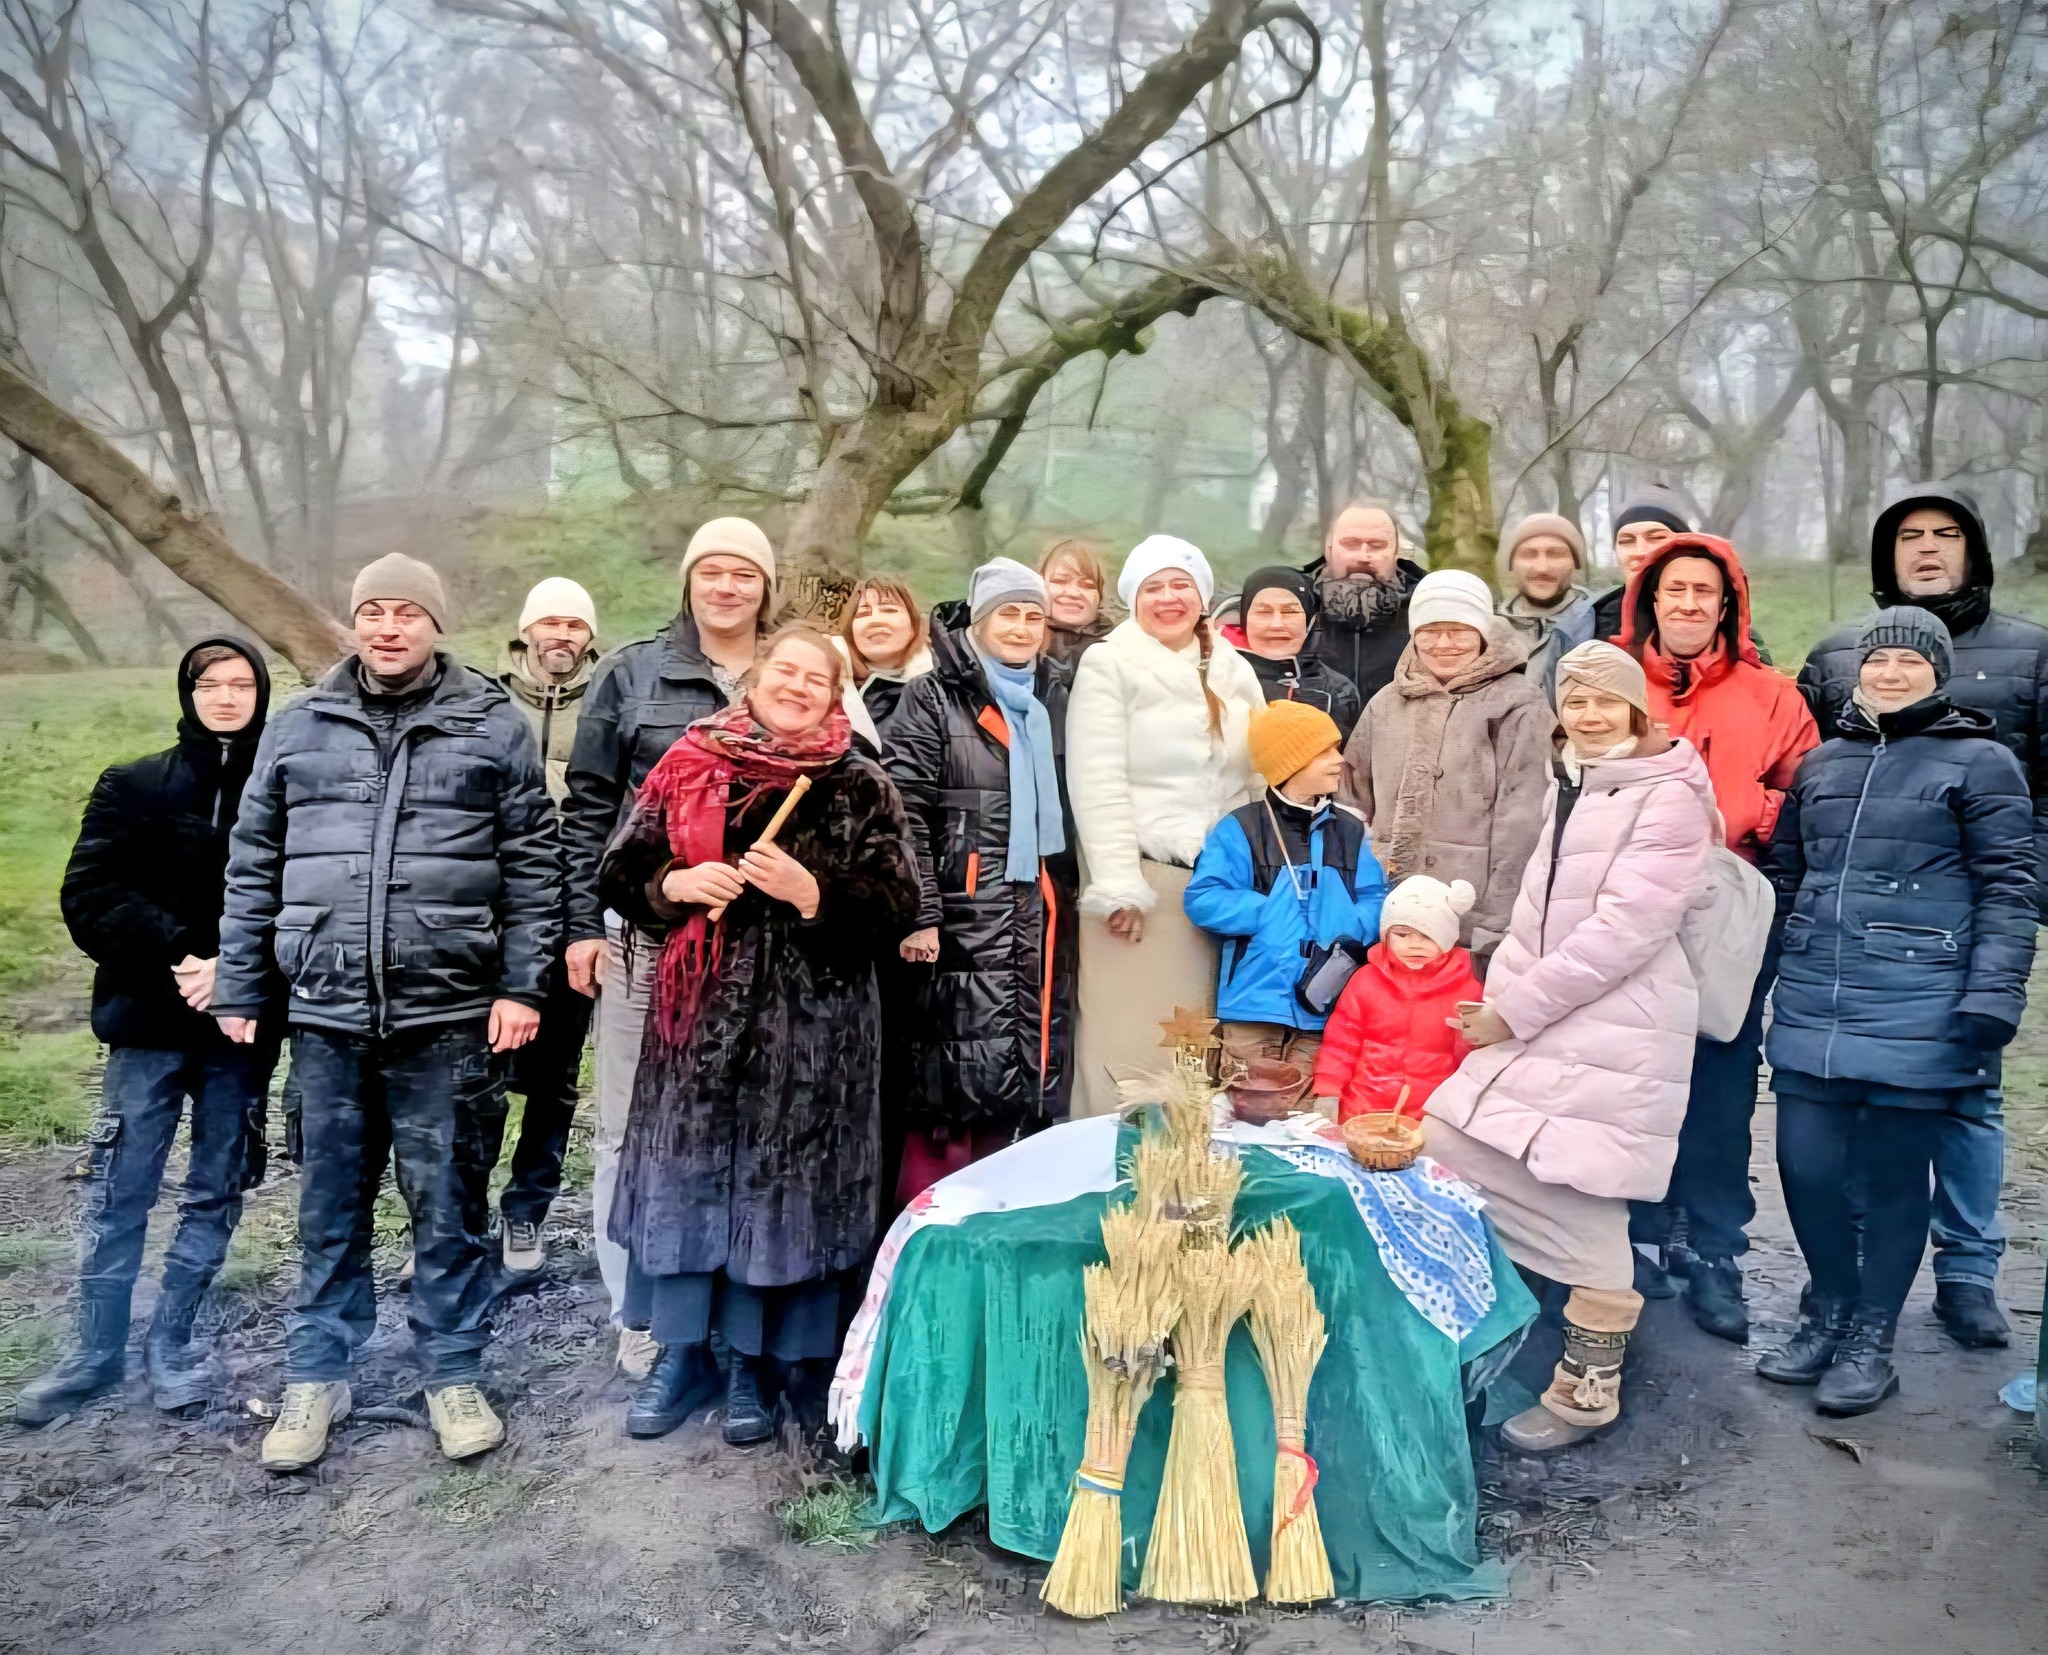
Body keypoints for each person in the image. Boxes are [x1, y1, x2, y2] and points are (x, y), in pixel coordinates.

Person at [212, 554, 559, 1471]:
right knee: (329, 1203)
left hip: (450, 1010)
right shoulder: (300, 725)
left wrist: (523, 986)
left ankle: (451, 1371)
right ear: (354, 622)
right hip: (326, 1013)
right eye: (374, 611)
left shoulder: (491, 722)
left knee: (449, 1203)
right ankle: (316, 1373)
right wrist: (243, 982)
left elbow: (534, 864)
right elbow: (254, 862)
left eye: (408, 612)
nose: (389, 627)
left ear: (436, 624)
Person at [596, 627, 921, 1446]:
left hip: (814, 1034)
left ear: (837, 695)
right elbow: (620, 869)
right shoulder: (691, 761)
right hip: (698, 1025)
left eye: (819, 679)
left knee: (784, 1194)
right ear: (755, 676)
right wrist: (674, 883)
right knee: (689, 1182)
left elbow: (898, 901)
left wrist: (816, 893)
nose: (799, 686)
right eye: (787, 670)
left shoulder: (860, 782)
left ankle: (755, 1361)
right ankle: (682, 1353)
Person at [1427, 641, 1714, 1453]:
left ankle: (1587, 1392)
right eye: (1575, 700)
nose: (1589, 714)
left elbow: (1623, 932)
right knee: (1449, 1144)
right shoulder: (1578, 781)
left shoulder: (1667, 797)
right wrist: (1506, 998)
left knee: (1585, 1199)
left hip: (1617, 1027)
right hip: (1551, 1016)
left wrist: (1512, 1013)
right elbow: (1539, 916)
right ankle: (1481, 1343)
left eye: (1605, 700)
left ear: (1637, 710)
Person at [1759, 610, 2035, 1414]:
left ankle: (1871, 1339)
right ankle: (1829, 1309)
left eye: (1907, 662)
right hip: (1817, 998)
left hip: (1923, 1002)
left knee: (1890, 1179)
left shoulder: (1983, 763)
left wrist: (1992, 995)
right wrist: (1763, 971)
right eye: (1875, 659)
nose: (1888, 673)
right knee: (1806, 1168)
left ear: (1938, 672)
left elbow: (2008, 889)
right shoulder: (1823, 762)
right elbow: (1787, 877)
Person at [1796, 484, 2048, 1350]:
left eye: (1947, 534)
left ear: (1974, 549)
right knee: (1844, 1121)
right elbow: (1821, 784)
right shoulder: (1837, 657)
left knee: (1967, 1104)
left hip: (1968, 927)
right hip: (1855, 944)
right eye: (1910, 535)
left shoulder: (2030, 652)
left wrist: (2015, 913)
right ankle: (1849, 1276)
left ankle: (1966, 1270)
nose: (1928, 548)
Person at [15, 641, 281, 1427]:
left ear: (262, 693)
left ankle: (174, 1342)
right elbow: (89, 893)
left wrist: (235, 968)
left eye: (242, 684)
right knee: (120, 1185)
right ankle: (95, 1350)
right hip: (146, 1021)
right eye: (211, 683)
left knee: (216, 1186)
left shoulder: (285, 791)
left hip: (241, 1026)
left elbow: (303, 898)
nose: (226, 696)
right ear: (188, 692)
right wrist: (182, 952)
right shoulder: (131, 784)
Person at [561, 517, 775, 1378]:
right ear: (689, 581)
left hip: (759, 948)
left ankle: (724, 1301)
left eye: (744, 574)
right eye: (711, 571)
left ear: (766, 586)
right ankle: (637, 1309)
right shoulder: (632, 672)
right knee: (628, 1127)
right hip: (646, 937)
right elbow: (589, 807)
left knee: (738, 1122)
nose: (726, 587)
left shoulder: (789, 670)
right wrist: (583, 923)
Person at [1616, 533, 1818, 1339]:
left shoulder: (1770, 695)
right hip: (1626, 904)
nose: (1689, 603)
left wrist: (1749, 812)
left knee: (1720, 1079)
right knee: (1629, 1071)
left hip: (1729, 907)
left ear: (1727, 603)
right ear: (1650, 600)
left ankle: (1714, 1249)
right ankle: (1635, 1234)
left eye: (1705, 591)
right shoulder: (1615, 679)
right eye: (1675, 590)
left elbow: (1805, 794)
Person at [883, 559, 1075, 1203]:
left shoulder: (1055, 696)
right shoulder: (933, 696)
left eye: (1033, 616)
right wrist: (920, 913)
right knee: (951, 1080)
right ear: (980, 621)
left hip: (1036, 910)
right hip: (960, 913)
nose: (1021, 629)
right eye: (1008, 614)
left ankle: (1001, 1217)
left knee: (1019, 1072)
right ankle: (927, 1224)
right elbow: (903, 811)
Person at [1065, 534, 1263, 1117]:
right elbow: (1096, 778)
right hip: (1147, 883)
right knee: (1132, 1044)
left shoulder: (1233, 667)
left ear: (1202, 596)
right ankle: (1117, 1156)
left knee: (1202, 1051)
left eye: (1181, 584)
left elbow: (1256, 771)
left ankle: (1187, 1162)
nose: (1169, 597)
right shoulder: (1110, 662)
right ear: (1133, 598)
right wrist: (1118, 885)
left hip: (1222, 885)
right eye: (1153, 587)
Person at [1339, 568, 1551, 963]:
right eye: (1430, 631)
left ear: (1483, 633)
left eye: (1459, 631)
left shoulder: (1519, 704)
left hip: (1470, 907)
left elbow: (1524, 821)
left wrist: (1496, 921)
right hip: (1387, 904)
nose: (1443, 644)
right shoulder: (1386, 703)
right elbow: (1351, 800)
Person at [488, 577, 603, 1279]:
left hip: (575, 912)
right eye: (550, 622)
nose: (562, 634)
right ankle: (457, 1217)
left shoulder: (608, 700)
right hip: (491, 914)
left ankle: (527, 1208)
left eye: (575, 624)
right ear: (526, 630)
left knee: (555, 1078)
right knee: (476, 1076)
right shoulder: (485, 699)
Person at [1183, 700, 1386, 1076]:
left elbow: (1376, 898)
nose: (1339, 760)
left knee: (1307, 1107)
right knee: (1248, 1104)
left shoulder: (1351, 830)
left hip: (1327, 1003)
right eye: (1324, 752)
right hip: (1254, 1007)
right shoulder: (1241, 828)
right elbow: (1203, 897)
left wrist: (1349, 925)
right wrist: (1268, 911)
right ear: (1290, 763)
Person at [1311, 876, 1481, 1122]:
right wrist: (1328, 1091)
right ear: (1387, 935)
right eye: (1402, 934)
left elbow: (1476, 1058)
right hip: (1361, 1110)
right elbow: (1341, 1044)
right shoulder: (1366, 981)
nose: (1414, 945)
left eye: (1428, 936)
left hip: (1433, 1116)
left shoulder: (1469, 986)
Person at [1301, 499, 1426, 705]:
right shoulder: (1293, 604)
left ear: (1396, 552)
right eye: (1350, 544)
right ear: (1329, 548)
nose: (1363, 556)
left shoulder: (1428, 606)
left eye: (1377, 546)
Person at [1234, 565, 1363, 739]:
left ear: (1310, 621)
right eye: (1264, 612)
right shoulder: (1217, 680)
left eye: (1290, 611)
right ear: (1244, 619)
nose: (1277, 624)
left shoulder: (1339, 690)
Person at [1498, 512, 1596, 704]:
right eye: (1528, 554)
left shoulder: (1604, 623)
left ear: (1574, 562)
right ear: (1512, 563)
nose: (1542, 568)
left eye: (1556, 554)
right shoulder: (1488, 633)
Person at [1589, 483, 1692, 644]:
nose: (1640, 552)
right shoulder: (1594, 617)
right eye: (1626, 541)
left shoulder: (1715, 609)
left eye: (1657, 538)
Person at [839, 575, 933, 737]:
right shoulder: (828, 685)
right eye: (863, 613)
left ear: (914, 626)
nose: (875, 620)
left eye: (889, 610)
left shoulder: (949, 685)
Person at [1039, 538, 1115, 665]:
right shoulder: (1016, 647)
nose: (1073, 592)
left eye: (1087, 585)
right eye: (1059, 580)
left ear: (1100, 597)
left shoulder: (1120, 650)